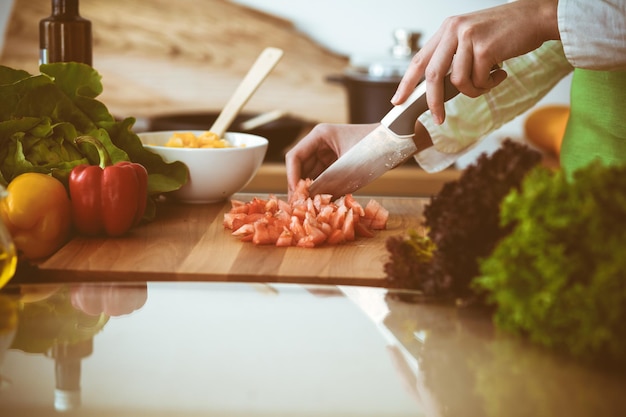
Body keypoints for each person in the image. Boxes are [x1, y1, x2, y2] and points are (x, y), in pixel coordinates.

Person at [285, 0, 626, 195]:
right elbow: (551, 48)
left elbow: (554, 26)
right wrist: (385, 139)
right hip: (584, 196)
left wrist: (546, 15)